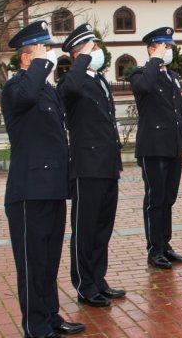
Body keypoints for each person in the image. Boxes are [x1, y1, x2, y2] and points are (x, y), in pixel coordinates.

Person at [0, 20, 85, 338]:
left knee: (49, 261)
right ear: (26, 58)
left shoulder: (46, 90)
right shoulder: (16, 88)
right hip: (28, 192)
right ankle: (35, 326)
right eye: (43, 48)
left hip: (51, 189)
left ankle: (50, 316)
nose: (50, 54)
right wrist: (38, 64)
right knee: (32, 262)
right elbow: (23, 98)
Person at [57, 24, 125, 308]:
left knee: (102, 227)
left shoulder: (98, 79)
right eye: (93, 47)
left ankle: (98, 279)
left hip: (108, 163)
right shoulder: (72, 82)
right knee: (85, 228)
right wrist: (83, 56)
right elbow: (67, 89)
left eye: (95, 47)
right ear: (78, 53)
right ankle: (85, 285)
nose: (99, 52)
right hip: (87, 166)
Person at [130, 27, 182, 269]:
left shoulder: (172, 76)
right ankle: (154, 249)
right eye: (164, 47)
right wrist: (155, 60)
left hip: (173, 145)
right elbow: (143, 88)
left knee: (168, 198)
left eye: (170, 47)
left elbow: (179, 113)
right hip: (153, 147)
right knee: (155, 199)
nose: (169, 51)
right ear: (151, 49)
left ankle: (165, 244)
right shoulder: (141, 74)